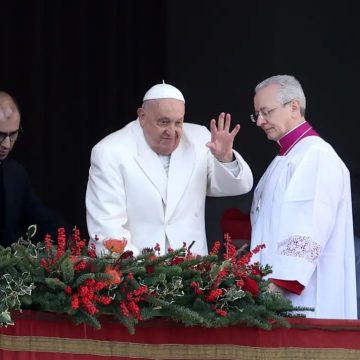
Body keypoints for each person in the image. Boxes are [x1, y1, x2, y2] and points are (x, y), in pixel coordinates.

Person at [86, 82, 253, 256]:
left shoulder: (199, 139)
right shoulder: (110, 151)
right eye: (163, 122)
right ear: (142, 117)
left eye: (178, 123)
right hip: (134, 270)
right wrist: (141, 271)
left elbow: (238, 186)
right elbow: (106, 225)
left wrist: (225, 158)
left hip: (192, 270)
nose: (172, 131)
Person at [249, 75, 357, 319]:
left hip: (303, 296)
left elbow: (308, 224)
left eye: (266, 112)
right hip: (268, 291)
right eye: (256, 114)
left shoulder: (315, 155)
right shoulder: (285, 157)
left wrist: (278, 285)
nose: (260, 121)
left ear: (294, 107)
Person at [0, 91, 69, 247]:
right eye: (0, 135)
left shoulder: (15, 174)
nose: (6, 144)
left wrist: (73, 240)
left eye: (13, 135)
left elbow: (44, 221)